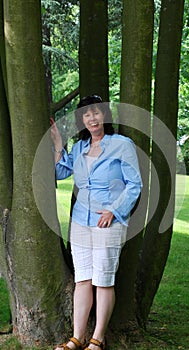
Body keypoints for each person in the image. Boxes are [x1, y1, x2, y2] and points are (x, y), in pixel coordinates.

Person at [50, 95, 142, 350]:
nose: (92, 118)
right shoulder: (79, 147)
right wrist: (59, 143)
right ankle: (76, 338)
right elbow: (60, 171)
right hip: (80, 221)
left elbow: (135, 184)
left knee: (103, 279)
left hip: (108, 222)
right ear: (82, 120)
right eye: (86, 115)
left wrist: (114, 211)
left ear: (105, 116)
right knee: (83, 280)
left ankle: (97, 340)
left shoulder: (122, 145)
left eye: (97, 113)